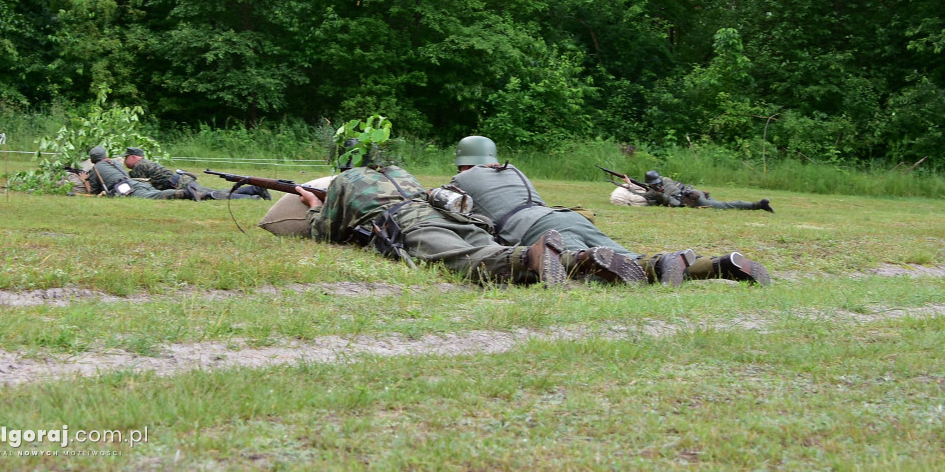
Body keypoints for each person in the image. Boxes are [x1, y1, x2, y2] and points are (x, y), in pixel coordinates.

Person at [449, 136, 771, 287]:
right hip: (566, 215)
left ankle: (670, 268)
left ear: (464, 161)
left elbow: (460, 221)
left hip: (530, 228)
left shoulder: (459, 181)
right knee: (634, 260)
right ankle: (716, 265)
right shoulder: (513, 169)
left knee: (586, 266)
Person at [295, 153, 645, 288]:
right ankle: (581, 260)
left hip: (408, 224)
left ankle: (531, 256)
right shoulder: (400, 171)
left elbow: (324, 232)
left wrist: (312, 202)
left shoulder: (345, 182)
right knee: (485, 249)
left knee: (464, 263)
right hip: (451, 214)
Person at [122, 147, 270, 200]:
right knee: (214, 192)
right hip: (182, 180)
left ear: (134, 157)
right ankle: (252, 189)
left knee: (214, 196)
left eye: (126, 157)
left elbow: (135, 184)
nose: (124, 160)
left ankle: (253, 196)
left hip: (179, 184)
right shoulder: (147, 163)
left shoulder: (139, 166)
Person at [614, 170, 774, 212]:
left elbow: (640, 195)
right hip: (695, 192)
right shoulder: (666, 180)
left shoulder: (655, 192)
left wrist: (629, 185)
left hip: (693, 200)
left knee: (726, 205)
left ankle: (758, 205)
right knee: (721, 204)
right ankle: (758, 205)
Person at [85, 146, 194, 200]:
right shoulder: (114, 163)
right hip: (133, 183)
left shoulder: (95, 169)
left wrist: (84, 181)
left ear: (92, 159)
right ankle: (202, 194)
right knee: (153, 191)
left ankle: (184, 193)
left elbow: (94, 192)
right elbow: (126, 175)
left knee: (154, 196)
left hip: (123, 188)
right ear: (105, 155)